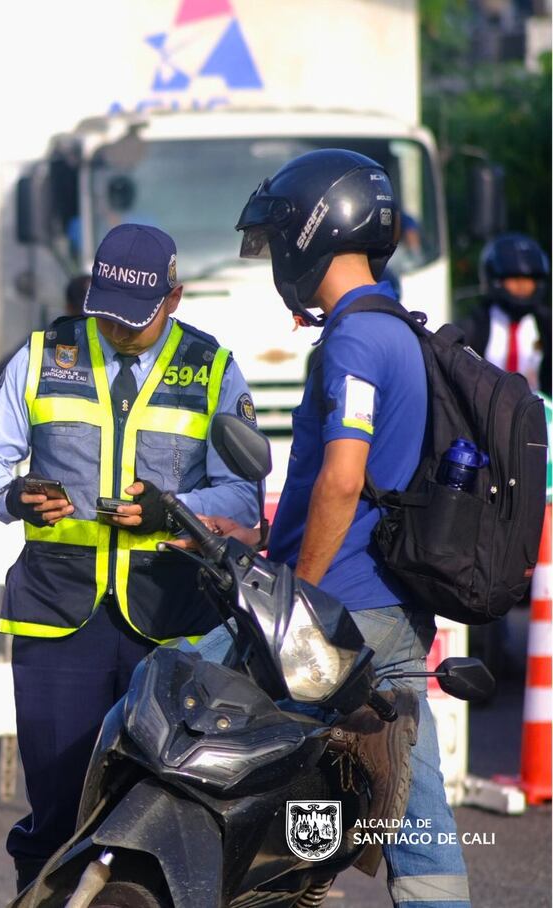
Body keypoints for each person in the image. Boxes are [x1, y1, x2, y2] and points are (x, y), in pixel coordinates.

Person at [0, 223, 259, 891]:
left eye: (135, 317)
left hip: (170, 621)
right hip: (57, 616)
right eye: (107, 314)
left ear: (174, 298)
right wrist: (12, 494)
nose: (118, 330)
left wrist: (171, 510)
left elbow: (243, 493)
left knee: (165, 805)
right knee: (58, 806)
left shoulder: (212, 367)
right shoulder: (45, 355)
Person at [228, 148, 470, 906]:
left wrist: (297, 595)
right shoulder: (395, 328)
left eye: (281, 237)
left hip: (342, 612)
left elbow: (342, 477)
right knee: (414, 816)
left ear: (314, 231)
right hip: (389, 610)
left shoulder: (355, 341)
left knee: (231, 768)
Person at [0, 274, 92, 429]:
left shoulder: (109, 348)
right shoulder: (47, 341)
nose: (88, 320)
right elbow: (7, 371)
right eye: (84, 312)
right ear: (69, 308)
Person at [458, 233, 550, 396]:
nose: (522, 286)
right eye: (514, 278)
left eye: (528, 279)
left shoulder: (546, 324)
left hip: (538, 408)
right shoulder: (475, 326)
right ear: (496, 280)